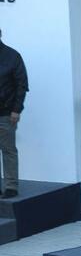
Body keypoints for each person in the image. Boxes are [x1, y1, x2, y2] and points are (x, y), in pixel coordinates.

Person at [0, 29, 28, 199]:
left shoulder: (12, 56)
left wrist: (16, 110)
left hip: (6, 113)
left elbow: (22, 84)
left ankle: (11, 186)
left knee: (8, 150)